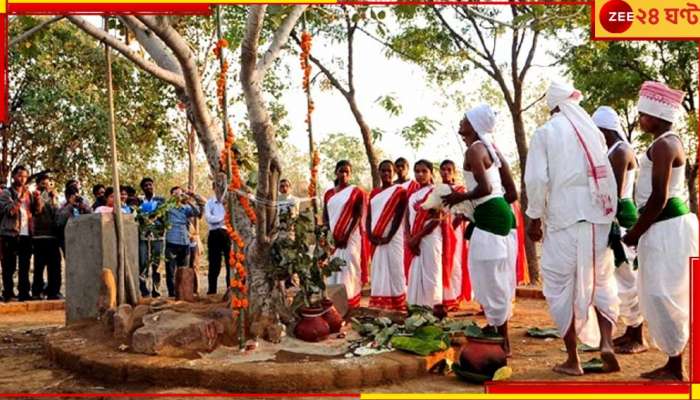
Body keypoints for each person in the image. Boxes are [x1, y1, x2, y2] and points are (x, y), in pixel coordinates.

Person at [525, 81, 620, 376]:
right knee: (601, 280)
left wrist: (534, 215)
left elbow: (537, 179)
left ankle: (573, 359)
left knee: (559, 285)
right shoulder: (593, 131)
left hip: (564, 216)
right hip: (597, 216)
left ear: (553, 105)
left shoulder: (546, 132)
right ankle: (606, 342)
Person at [622, 81, 698, 380]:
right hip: (665, 227)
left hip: (666, 228)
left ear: (654, 114)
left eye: (643, 113)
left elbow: (658, 198)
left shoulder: (665, 144)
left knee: (664, 294)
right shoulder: (667, 142)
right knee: (661, 293)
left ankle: (675, 366)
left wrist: (635, 233)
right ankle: (673, 362)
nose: (640, 119)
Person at [443, 104, 518, 355]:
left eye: (464, 119)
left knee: (489, 278)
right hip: (501, 216)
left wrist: (458, 199)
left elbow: (484, 189)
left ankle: (503, 340)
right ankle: (498, 329)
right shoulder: (493, 150)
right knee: (498, 277)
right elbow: (511, 192)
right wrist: (486, 211)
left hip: (490, 217)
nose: (460, 123)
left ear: (473, 125)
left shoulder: (475, 149)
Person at [592, 106, 646, 355]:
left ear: (603, 129)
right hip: (615, 215)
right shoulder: (614, 150)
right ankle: (631, 330)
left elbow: (611, 193)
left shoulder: (620, 151)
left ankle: (638, 335)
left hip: (620, 217)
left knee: (628, 278)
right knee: (622, 278)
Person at [323, 160, 368, 309]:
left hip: (351, 237)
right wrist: (329, 236)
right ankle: (335, 305)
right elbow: (326, 216)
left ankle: (350, 302)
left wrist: (346, 235)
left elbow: (358, 216)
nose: (344, 174)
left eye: (347, 171)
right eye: (341, 171)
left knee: (349, 268)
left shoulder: (356, 192)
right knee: (333, 270)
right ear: (336, 172)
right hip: (333, 239)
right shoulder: (329, 193)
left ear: (350, 174)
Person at [366, 160, 408, 310]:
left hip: (393, 236)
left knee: (396, 267)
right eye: (383, 171)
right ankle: (380, 302)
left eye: (389, 171)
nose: (386, 174)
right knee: (378, 268)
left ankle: (399, 303)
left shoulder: (400, 191)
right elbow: (369, 216)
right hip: (376, 238)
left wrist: (389, 236)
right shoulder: (374, 193)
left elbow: (399, 216)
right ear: (379, 173)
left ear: (394, 172)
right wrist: (370, 235)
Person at [0, 166, 43, 302]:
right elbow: (10, 211)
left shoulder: (29, 194)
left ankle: (24, 293)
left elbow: (37, 212)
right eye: (20, 175)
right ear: (13, 176)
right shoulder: (6, 193)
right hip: (10, 233)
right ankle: (8, 293)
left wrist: (37, 199)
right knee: (9, 266)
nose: (22, 178)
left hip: (26, 234)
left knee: (25, 266)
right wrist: (20, 198)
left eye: (25, 176)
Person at [405, 160, 443, 308]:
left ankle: (433, 308)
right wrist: (409, 238)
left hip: (430, 237)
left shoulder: (436, 191)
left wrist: (417, 238)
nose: (420, 174)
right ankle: (416, 308)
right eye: (417, 171)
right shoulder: (412, 195)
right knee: (416, 273)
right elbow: (407, 219)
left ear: (431, 173)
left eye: (424, 171)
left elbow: (436, 219)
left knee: (431, 274)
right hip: (414, 239)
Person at [439, 159, 471, 311]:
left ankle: (454, 298)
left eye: (449, 169)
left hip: (455, 230)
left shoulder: (460, 190)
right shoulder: (437, 189)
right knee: (441, 262)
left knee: (455, 263)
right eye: (443, 169)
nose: (445, 172)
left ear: (454, 172)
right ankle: (443, 297)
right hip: (439, 230)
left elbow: (464, 212)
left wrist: (450, 227)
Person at [164, 186, 205, 297]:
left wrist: (190, 199)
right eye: (175, 193)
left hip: (184, 242)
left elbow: (198, 212)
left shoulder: (186, 208)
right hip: (171, 241)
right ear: (171, 195)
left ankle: (183, 293)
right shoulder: (167, 208)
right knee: (171, 270)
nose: (178, 196)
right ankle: (172, 294)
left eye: (180, 194)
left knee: (184, 269)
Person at [31, 173, 62, 300]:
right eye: (43, 184)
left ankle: (53, 291)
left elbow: (57, 215)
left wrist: (54, 198)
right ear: (38, 184)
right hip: (39, 236)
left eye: (48, 183)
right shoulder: (34, 196)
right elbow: (37, 210)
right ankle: (37, 291)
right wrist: (42, 196)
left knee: (55, 266)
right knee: (39, 266)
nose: (46, 186)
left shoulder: (54, 197)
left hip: (53, 237)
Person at [137, 177, 166, 298]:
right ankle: (143, 289)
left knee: (156, 264)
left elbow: (164, 215)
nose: (148, 187)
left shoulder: (160, 200)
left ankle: (156, 289)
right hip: (143, 236)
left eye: (150, 185)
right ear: (142, 188)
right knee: (143, 262)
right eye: (146, 185)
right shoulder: (139, 201)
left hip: (157, 236)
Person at [204, 181, 230, 294]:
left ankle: (230, 289)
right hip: (214, 235)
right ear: (213, 187)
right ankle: (212, 291)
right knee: (214, 263)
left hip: (227, 234)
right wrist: (223, 218)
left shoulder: (229, 203)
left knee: (231, 262)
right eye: (217, 186)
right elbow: (209, 219)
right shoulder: (209, 203)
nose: (219, 188)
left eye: (221, 186)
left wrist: (218, 219)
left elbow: (232, 217)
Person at [56, 185, 92, 254]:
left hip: (82, 239)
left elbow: (91, 215)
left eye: (76, 196)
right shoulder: (62, 209)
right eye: (73, 196)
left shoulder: (81, 207)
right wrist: (70, 205)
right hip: (68, 241)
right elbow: (60, 222)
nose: (76, 199)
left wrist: (83, 206)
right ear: (67, 197)